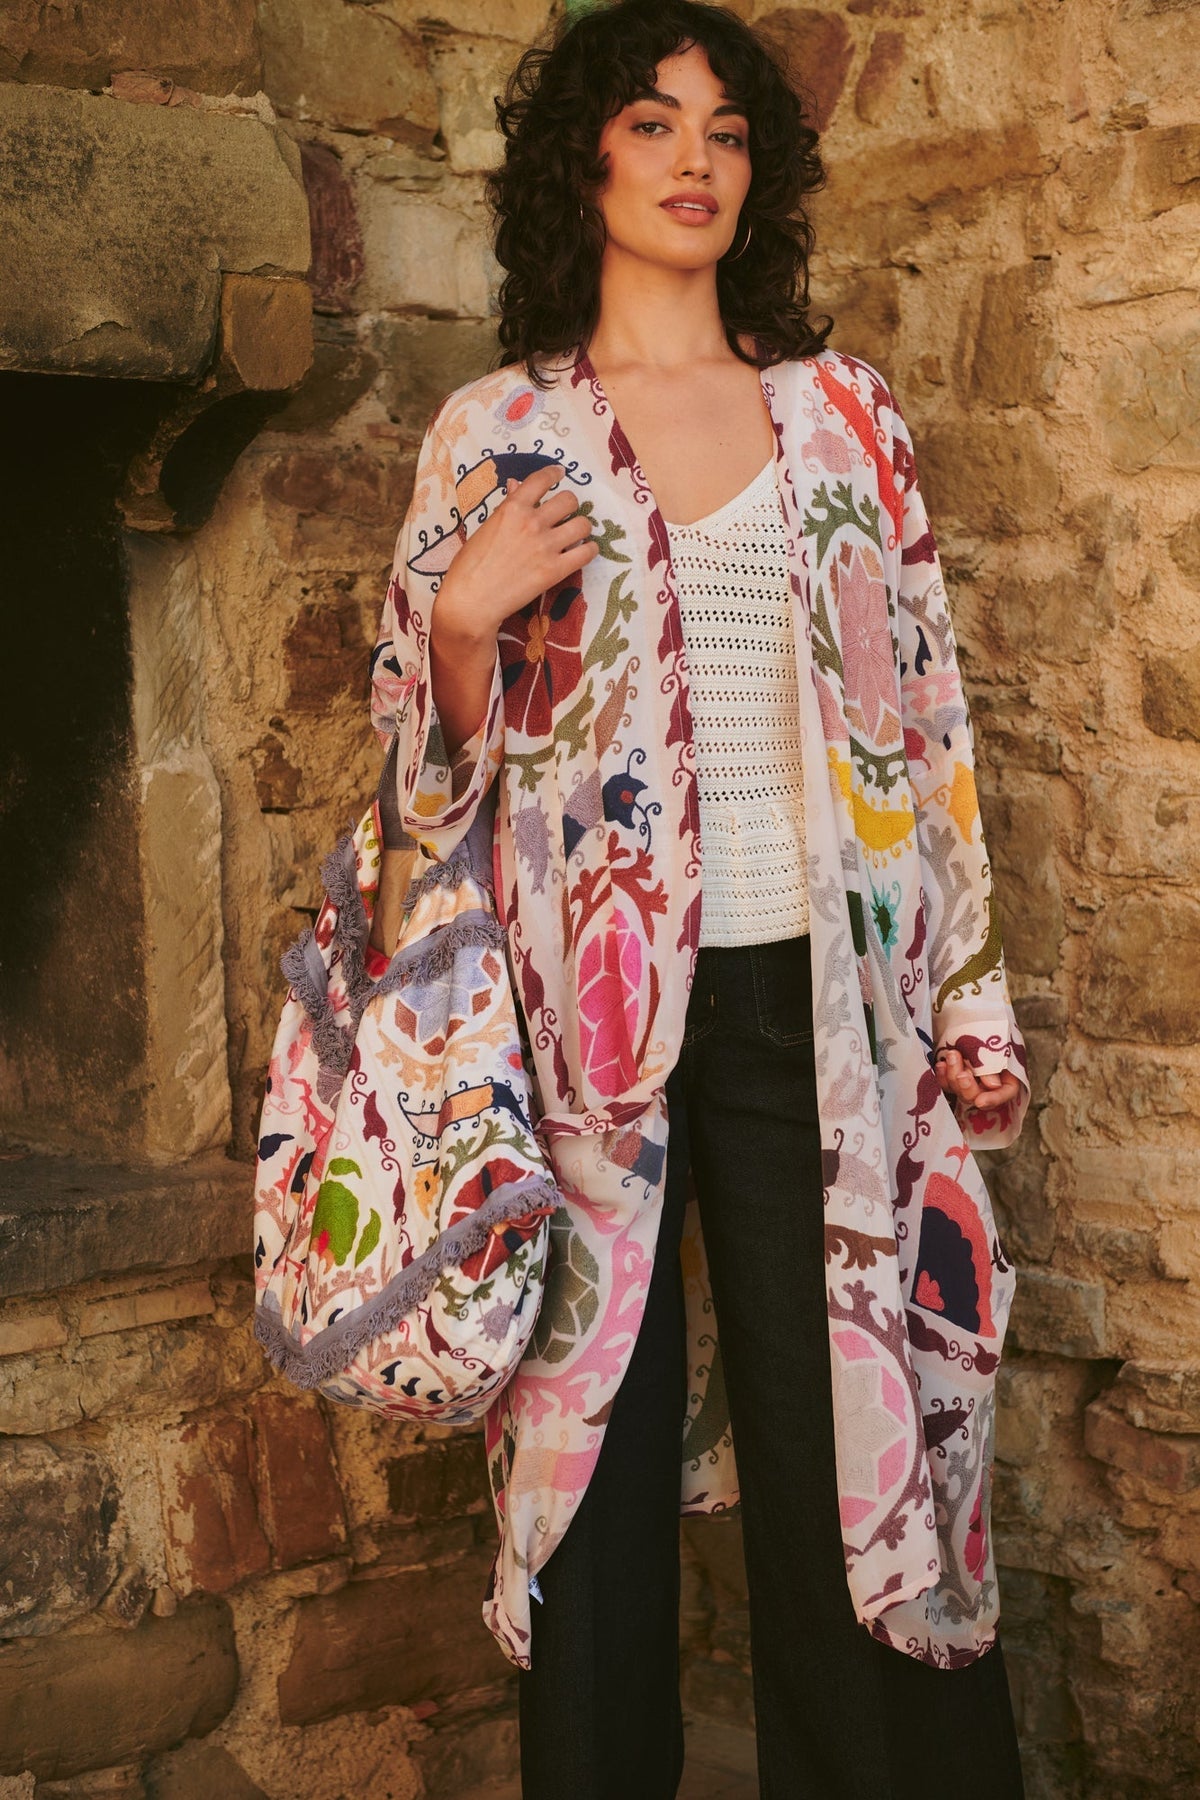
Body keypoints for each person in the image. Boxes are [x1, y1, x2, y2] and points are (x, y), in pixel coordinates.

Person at [367, 3, 1031, 1794]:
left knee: (853, 1448)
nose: (693, 162)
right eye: (654, 124)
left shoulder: (845, 419)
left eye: (727, 133)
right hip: (583, 1048)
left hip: (823, 1015)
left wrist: (968, 1006)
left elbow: (931, 727)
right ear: (584, 160)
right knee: (589, 1474)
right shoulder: (498, 435)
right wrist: (457, 623)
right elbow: (424, 791)